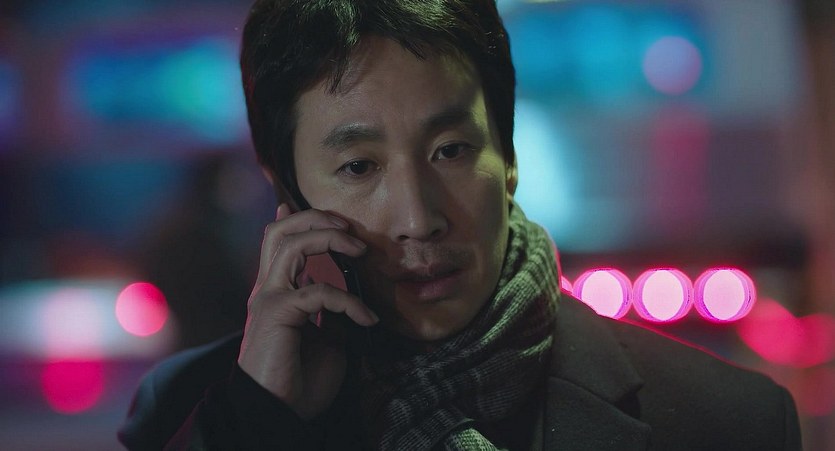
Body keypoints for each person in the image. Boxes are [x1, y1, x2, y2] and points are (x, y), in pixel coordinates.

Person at [119, 1, 802, 449]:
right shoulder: (187, 412)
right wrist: (260, 423)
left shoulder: (728, 421)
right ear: (289, 195)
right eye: (358, 167)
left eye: (450, 150)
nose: (419, 218)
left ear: (508, 156)